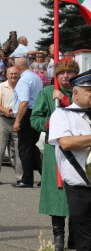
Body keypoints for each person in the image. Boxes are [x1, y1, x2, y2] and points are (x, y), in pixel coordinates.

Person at [30, 59, 79, 251]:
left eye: (70, 73)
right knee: (57, 195)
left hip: (78, 149)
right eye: (61, 73)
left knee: (78, 194)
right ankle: (59, 236)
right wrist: (52, 122)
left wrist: (67, 101)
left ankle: (75, 238)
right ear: (56, 76)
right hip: (55, 150)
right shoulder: (47, 93)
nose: (65, 76)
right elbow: (35, 119)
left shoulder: (81, 93)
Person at [48, 69, 91, 251]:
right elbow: (65, 143)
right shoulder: (62, 115)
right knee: (86, 241)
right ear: (75, 93)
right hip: (80, 188)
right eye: (89, 92)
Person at [12, 57, 43, 187]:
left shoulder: (24, 80)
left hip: (27, 114)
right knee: (31, 147)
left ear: (18, 68)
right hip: (35, 112)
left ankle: (27, 179)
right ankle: (46, 175)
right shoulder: (35, 77)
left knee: (24, 148)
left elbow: (24, 102)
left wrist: (17, 121)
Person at [0, 66, 23, 185]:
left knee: (19, 150)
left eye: (15, 74)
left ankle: (20, 177)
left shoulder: (22, 86)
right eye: (11, 74)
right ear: (7, 75)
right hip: (3, 120)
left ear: (19, 74)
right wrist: (4, 110)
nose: (13, 76)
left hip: (18, 120)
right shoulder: (1, 86)